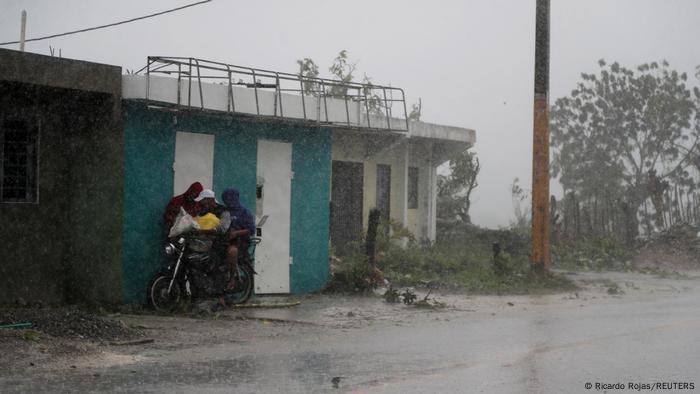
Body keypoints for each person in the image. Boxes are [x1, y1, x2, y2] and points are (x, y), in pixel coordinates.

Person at [220, 188, 255, 292]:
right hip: (225, 241)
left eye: (228, 198)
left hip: (240, 241)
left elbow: (251, 229)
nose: (226, 201)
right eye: (225, 199)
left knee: (232, 252)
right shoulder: (224, 211)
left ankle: (232, 278)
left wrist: (236, 233)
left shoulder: (245, 212)